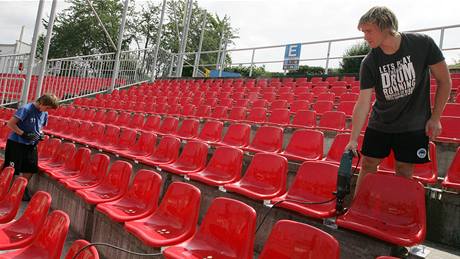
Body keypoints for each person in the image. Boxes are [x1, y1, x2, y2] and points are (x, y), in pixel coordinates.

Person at [345, 6, 452, 196]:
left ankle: (397, 211)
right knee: (368, 164)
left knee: (404, 169)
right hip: (381, 123)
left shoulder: (422, 44)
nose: (365, 36)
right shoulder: (369, 62)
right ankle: (359, 206)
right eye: (363, 32)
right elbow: (363, 102)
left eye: (368, 30)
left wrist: (435, 118)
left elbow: (445, 81)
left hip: (413, 125)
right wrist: (353, 139)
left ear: (385, 25)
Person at [2, 93, 59, 200]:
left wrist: (40, 134)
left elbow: (40, 127)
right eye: (47, 107)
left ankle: (21, 189)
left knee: (31, 168)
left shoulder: (44, 113)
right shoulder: (26, 109)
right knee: (11, 168)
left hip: (31, 144)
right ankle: (5, 188)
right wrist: (23, 134)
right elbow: (10, 124)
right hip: (16, 143)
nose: (48, 111)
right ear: (41, 103)